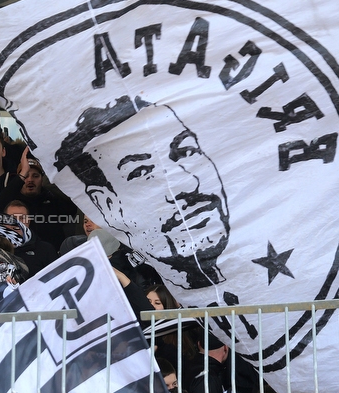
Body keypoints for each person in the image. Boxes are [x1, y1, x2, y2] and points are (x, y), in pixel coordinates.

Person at [54, 95, 229, 290]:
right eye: (143, 172)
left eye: (187, 152)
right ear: (107, 203)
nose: (189, 184)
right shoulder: (126, 277)